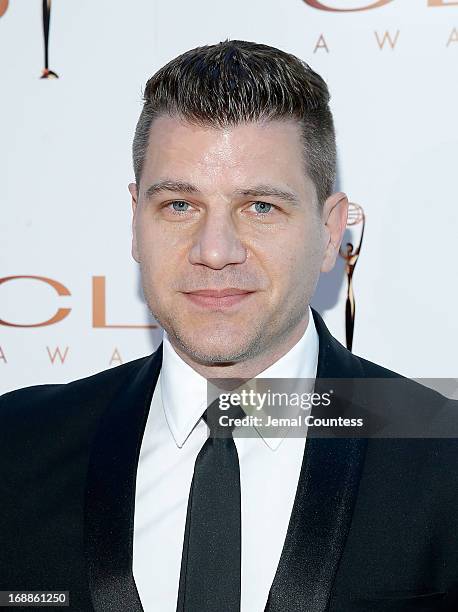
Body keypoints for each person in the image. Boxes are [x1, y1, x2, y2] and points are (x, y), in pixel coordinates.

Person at [1, 40, 457, 612]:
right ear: (136, 220)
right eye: (179, 206)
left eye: (261, 207)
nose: (215, 251)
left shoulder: (444, 454)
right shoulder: (16, 447)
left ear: (329, 231)